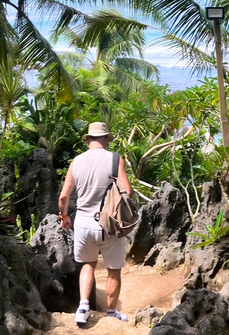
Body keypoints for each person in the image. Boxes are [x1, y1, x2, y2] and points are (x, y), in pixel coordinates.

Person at [58, 121, 133, 325]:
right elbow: (127, 191)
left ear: (88, 140)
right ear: (106, 139)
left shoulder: (76, 161)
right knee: (113, 269)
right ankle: (110, 312)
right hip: (109, 223)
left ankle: (82, 307)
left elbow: (64, 197)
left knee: (88, 264)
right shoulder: (115, 159)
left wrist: (64, 217)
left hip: (83, 222)